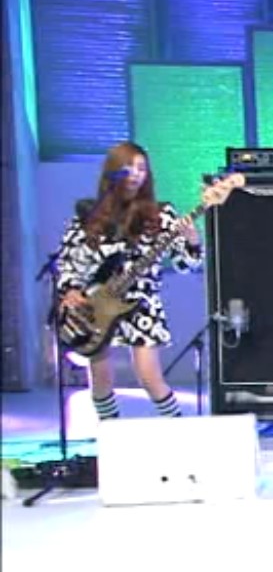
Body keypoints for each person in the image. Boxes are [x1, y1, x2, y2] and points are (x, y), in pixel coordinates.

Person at [54, 142, 217, 420]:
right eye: (129, 168)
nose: (136, 174)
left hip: (142, 302)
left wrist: (192, 241)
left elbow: (185, 265)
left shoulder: (161, 215)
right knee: (101, 378)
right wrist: (71, 290)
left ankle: (180, 431)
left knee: (150, 377)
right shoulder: (89, 213)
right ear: (113, 170)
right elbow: (68, 260)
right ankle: (110, 432)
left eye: (142, 168)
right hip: (98, 301)